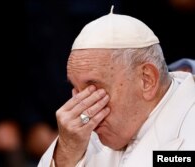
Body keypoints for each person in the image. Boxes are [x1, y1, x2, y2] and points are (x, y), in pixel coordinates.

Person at [38, 5, 195, 167]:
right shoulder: (81, 134)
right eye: (77, 90)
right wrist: (66, 153)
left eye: (94, 88)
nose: (84, 111)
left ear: (146, 80)